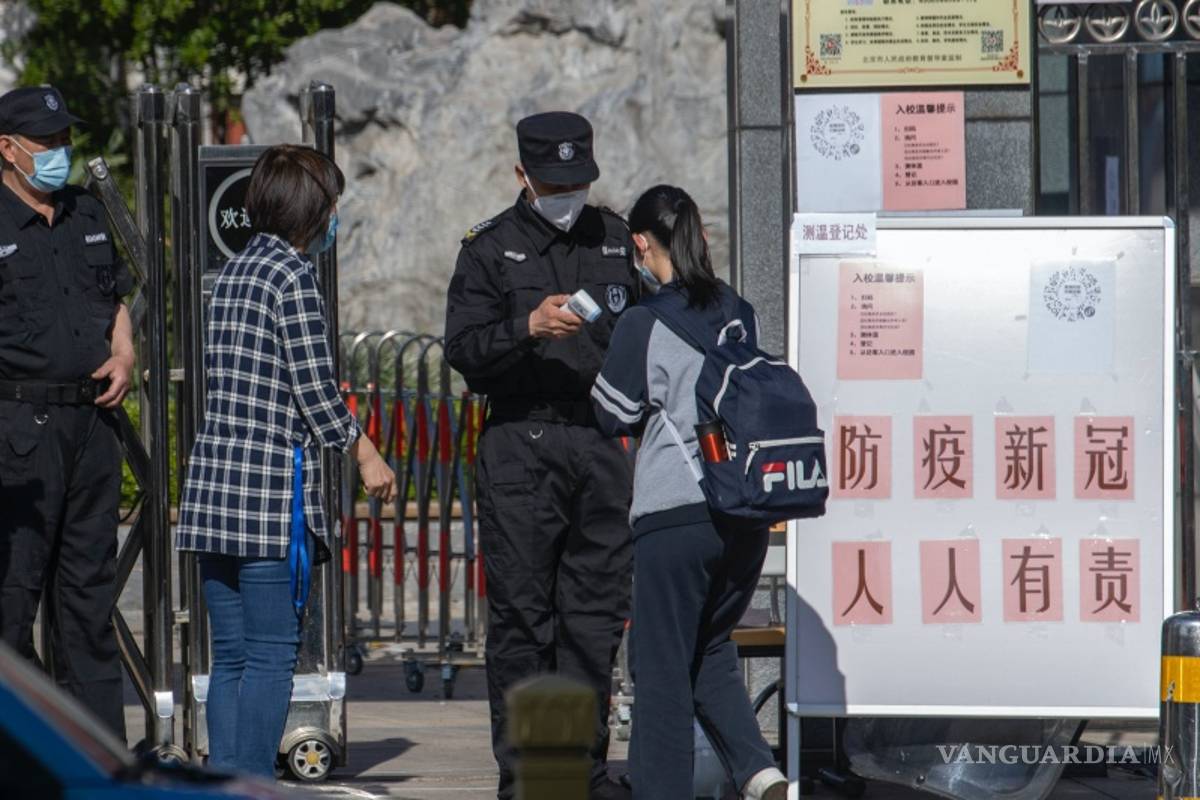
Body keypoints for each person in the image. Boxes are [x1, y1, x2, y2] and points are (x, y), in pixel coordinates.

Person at [176, 144, 396, 778]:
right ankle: (251, 782)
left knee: (231, 656)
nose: (335, 217)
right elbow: (315, 392)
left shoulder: (234, 272)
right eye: (332, 204)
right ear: (311, 208)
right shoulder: (292, 277)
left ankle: (224, 780)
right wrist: (366, 452)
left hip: (212, 485)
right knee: (273, 652)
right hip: (268, 493)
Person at [444, 111, 638, 800]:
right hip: (520, 445)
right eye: (553, 184)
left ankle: (583, 772)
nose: (567, 195)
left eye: (577, 182)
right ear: (521, 175)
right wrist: (525, 327)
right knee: (524, 619)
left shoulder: (615, 239)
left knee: (592, 618)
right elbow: (463, 350)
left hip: (600, 442)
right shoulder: (489, 249)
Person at [590, 185, 788, 800]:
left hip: (675, 513)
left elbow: (611, 413)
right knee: (709, 650)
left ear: (640, 244)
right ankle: (765, 778)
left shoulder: (643, 321)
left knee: (660, 671)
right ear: (699, 237)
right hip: (744, 513)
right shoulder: (741, 311)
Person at [0, 86, 134, 739]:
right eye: (46, 142)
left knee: (87, 600)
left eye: (64, 140)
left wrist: (125, 352)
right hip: (18, 433)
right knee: (12, 598)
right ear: (8, 148)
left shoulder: (85, 210)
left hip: (92, 427)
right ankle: (27, 751)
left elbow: (116, 298)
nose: (60, 152)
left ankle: (99, 756)